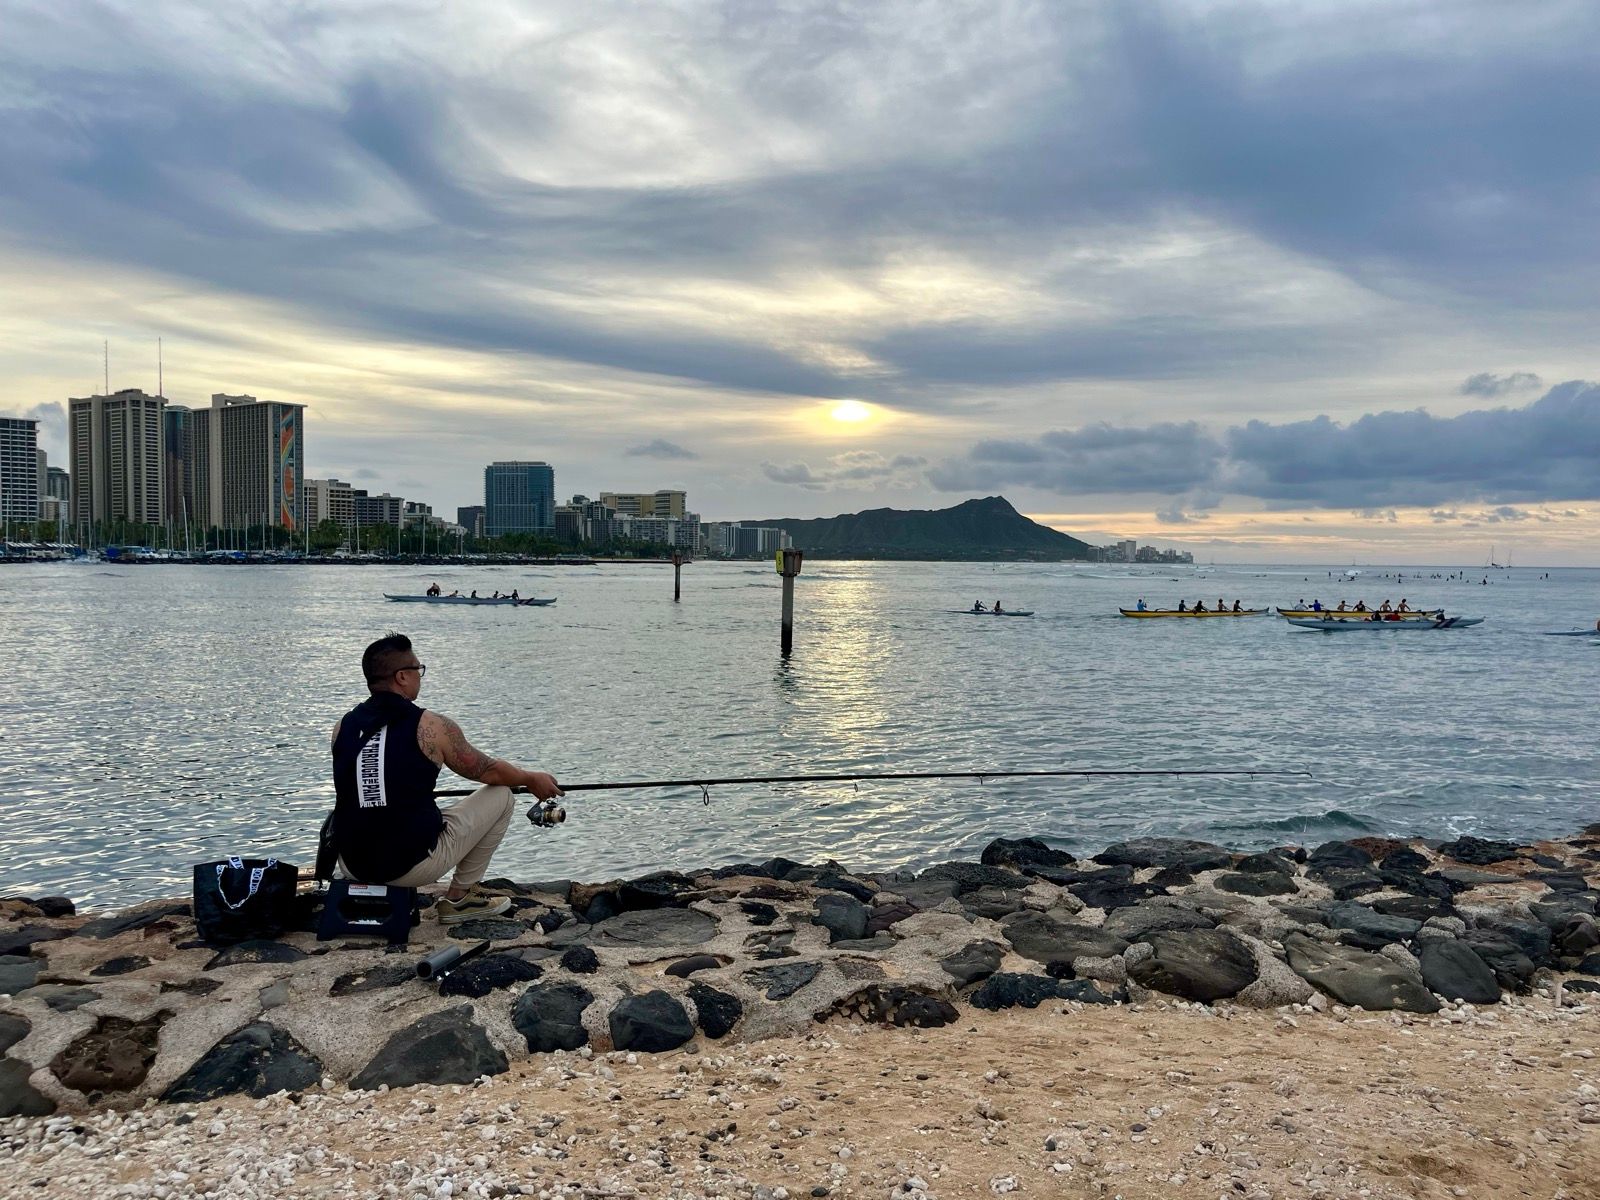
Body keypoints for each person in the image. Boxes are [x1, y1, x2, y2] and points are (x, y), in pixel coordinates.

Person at [329, 634, 563, 923]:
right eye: (418, 669)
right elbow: (489, 771)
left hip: (353, 865)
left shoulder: (342, 726)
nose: (420, 675)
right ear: (402, 676)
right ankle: (460, 899)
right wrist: (530, 778)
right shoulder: (431, 726)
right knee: (502, 795)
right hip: (407, 868)